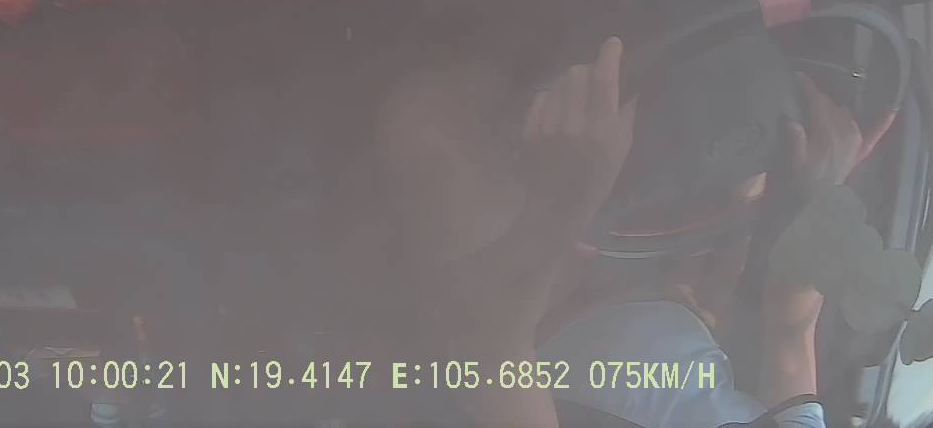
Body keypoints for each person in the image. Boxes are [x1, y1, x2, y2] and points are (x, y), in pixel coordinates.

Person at [375, 35, 882, 428]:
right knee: (756, 125)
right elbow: (790, 329)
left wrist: (563, 203)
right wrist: (821, 201)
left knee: (427, 123)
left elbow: (494, 346)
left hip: (534, 317)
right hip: (683, 289)